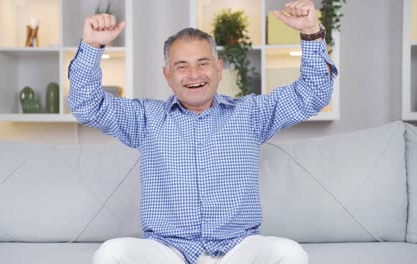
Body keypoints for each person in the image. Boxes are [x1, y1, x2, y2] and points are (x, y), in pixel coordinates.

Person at [67, 0, 337, 263]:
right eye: (181, 66)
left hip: (236, 249)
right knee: (110, 253)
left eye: (203, 63)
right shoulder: (145, 118)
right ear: (168, 76)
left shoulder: (251, 114)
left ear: (218, 70)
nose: (194, 74)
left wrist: (311, 33)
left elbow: (313, 94)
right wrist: (92, 46)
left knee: (289, 253)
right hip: (167, 251)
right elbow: (86, 105)